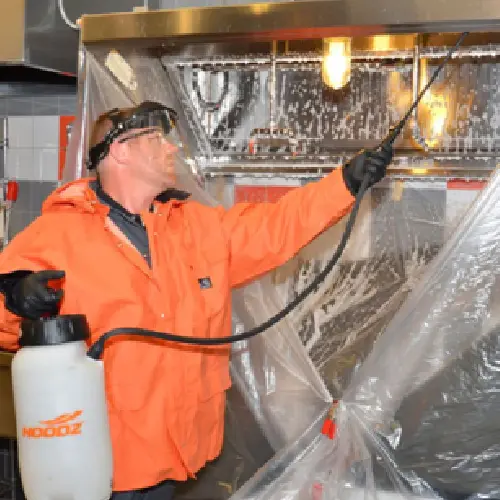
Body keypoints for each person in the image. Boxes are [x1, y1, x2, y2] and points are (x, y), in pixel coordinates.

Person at [0, 101, 393, 499]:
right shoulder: (57, 234)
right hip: (100, 459)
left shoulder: (197, 228)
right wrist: (15, 298)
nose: (170, 149)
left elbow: (277, 227)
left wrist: (344, 182)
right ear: (119, 150)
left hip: (175, 456)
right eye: (155, 140)